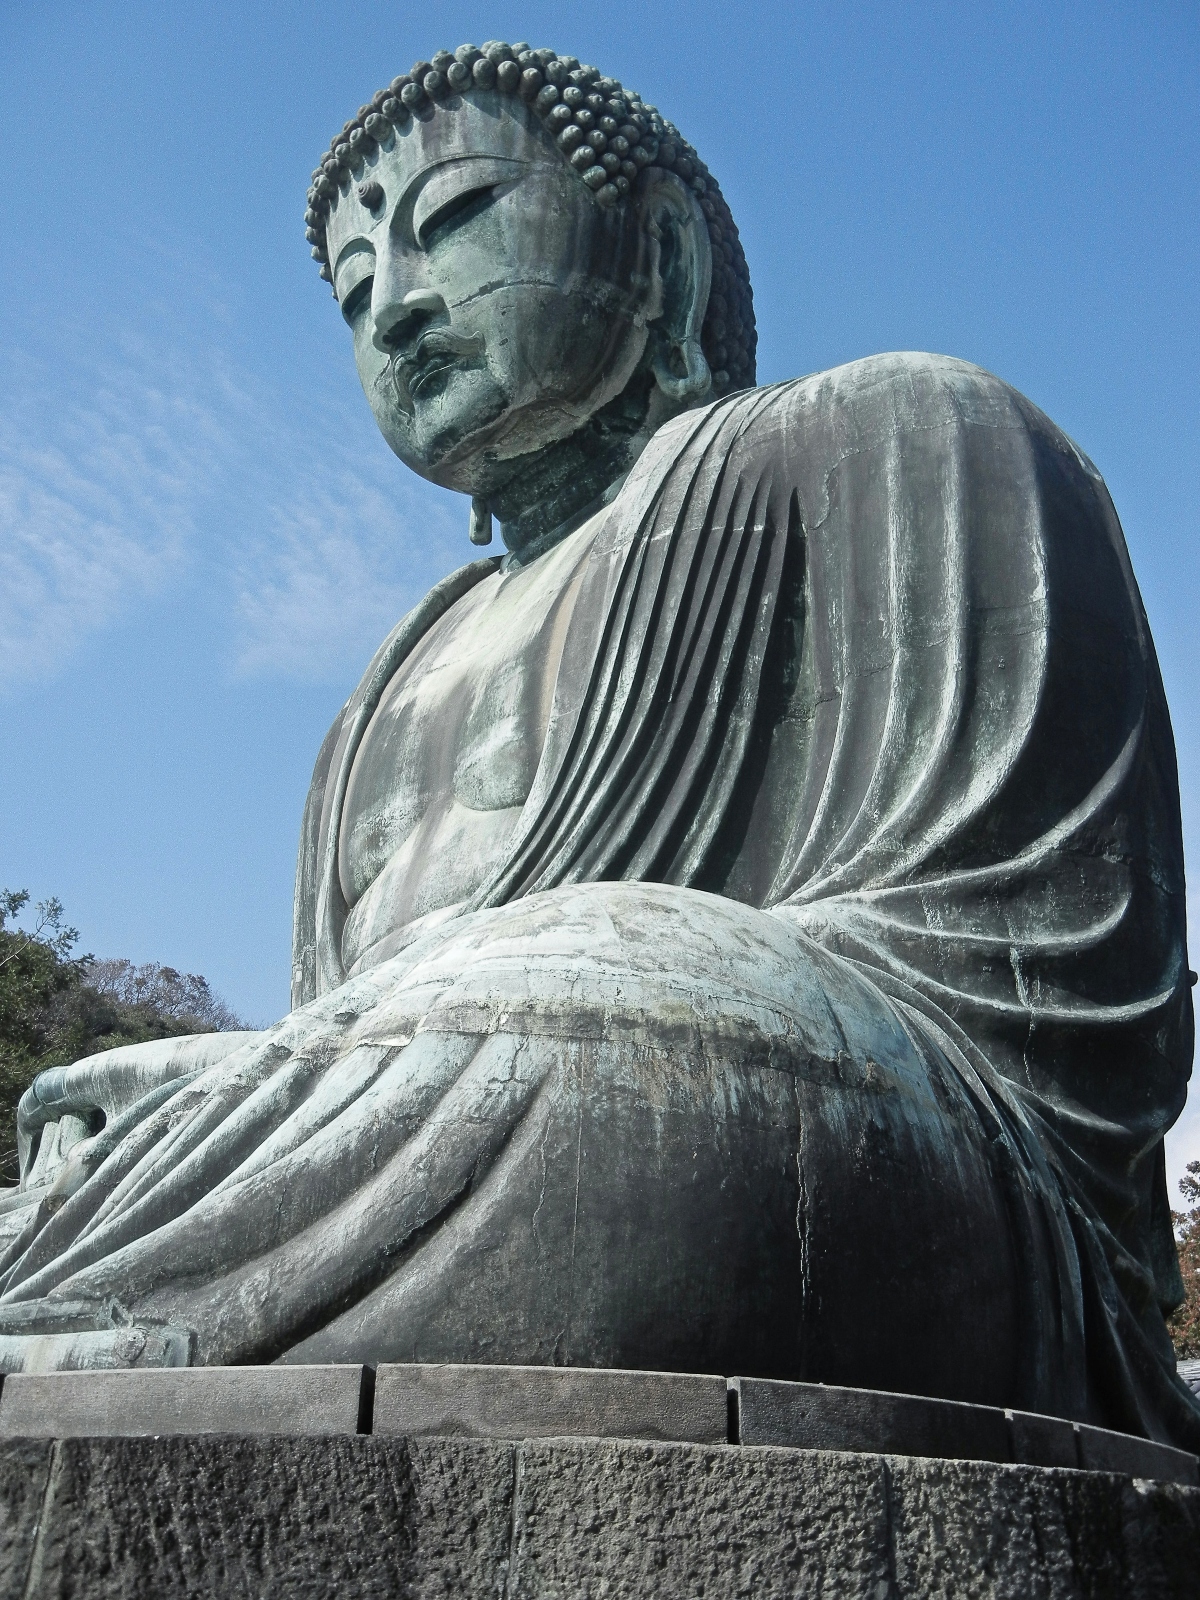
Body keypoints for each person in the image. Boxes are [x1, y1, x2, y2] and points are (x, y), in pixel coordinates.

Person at [5, 42, 1197, 1450]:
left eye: (450, 220)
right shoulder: (377, 698)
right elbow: (341, 1060)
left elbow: (1053, 1000)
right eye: (352, 290)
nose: (393, 307)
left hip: (857, 1155)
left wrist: (562, 977)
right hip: (469, 1111)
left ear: (666, 257)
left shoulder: (905, 434)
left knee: (609, 1100)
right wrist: (282, 1075)